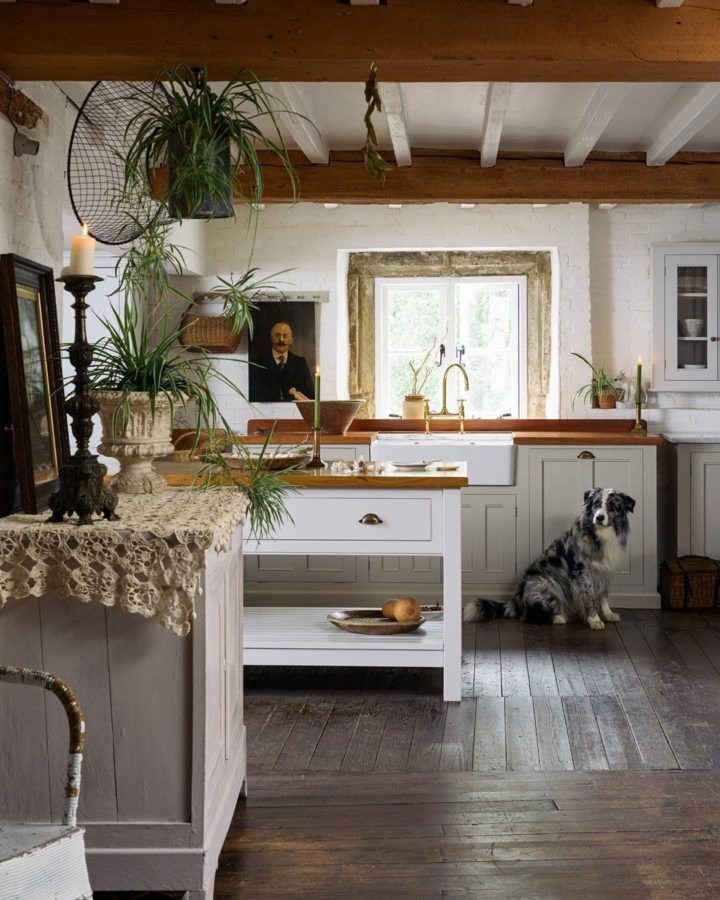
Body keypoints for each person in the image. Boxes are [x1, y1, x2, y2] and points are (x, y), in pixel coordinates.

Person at [249, 321, 314, 402]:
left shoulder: (300, 363)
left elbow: (310, 396)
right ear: (271, 339)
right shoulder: (257, 363)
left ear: (291, 340)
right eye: (277, 335)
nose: (281, 340)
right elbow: (253, 396)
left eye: (285, 336)